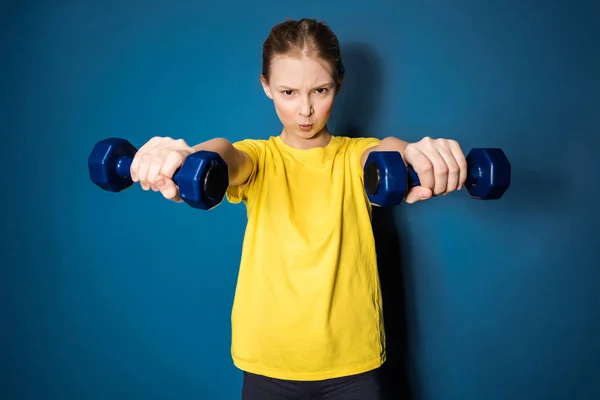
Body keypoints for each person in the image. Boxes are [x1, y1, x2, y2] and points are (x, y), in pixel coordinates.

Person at [129, 18, 467, 400]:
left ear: (338, 84)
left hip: (353, 365)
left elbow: (386, 151)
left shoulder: (355, 157)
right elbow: (226, 155)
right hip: (269, 362)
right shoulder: (258, 158)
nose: (304, 110)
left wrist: (417, 153)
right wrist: (187, 156)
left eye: (319, 90)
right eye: (288, 92)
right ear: (266, 87)